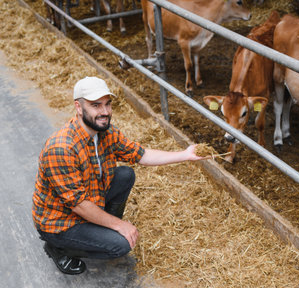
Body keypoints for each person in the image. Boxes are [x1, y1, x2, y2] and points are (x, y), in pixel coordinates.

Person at [32, 76, 208, 275]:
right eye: (96, 105)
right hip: (61, 222)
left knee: (125, 174)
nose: (105, 112)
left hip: (88, 200)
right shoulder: (62, 149)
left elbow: (141, 154)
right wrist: (120, 225)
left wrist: (185, 154)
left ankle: (101, 230)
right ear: (79, 108)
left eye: (108, 104)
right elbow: (79, 205)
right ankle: (58, 248)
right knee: (121, 245)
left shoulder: (105, 133)